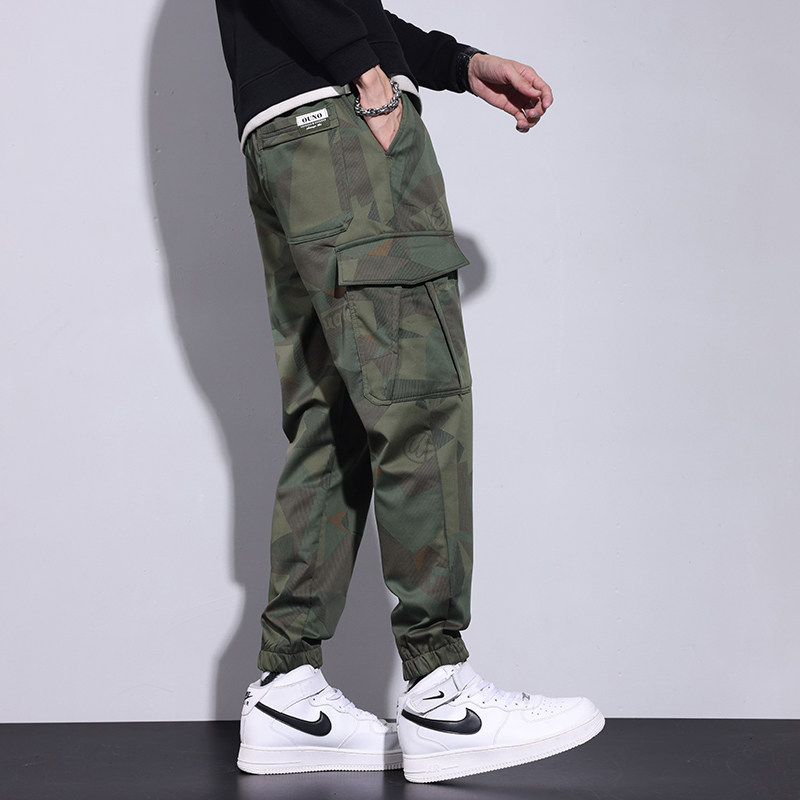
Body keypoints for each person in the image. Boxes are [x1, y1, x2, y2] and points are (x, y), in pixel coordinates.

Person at [214, 0, 603, 783]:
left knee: (334, 416)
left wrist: (458, 64)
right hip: (339, 124)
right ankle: (440, 691)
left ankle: (289, 690)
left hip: (285, 135)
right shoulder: (357, 91)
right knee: (418, 396)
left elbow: (347, 7)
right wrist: (368, 77)